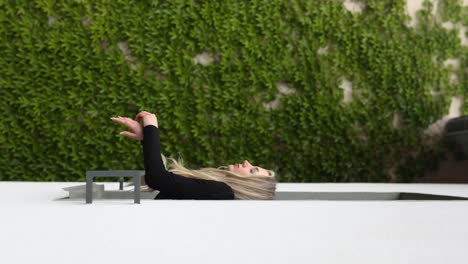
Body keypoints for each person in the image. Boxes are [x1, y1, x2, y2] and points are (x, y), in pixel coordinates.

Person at [111, 111, 277, 200]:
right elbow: (163, 179)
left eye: (252, 170)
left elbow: (158, 179)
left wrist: (152, 128)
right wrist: (146, 137)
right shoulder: (220, 190)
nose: (247, 162)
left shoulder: (222, 192)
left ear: (250, 186)